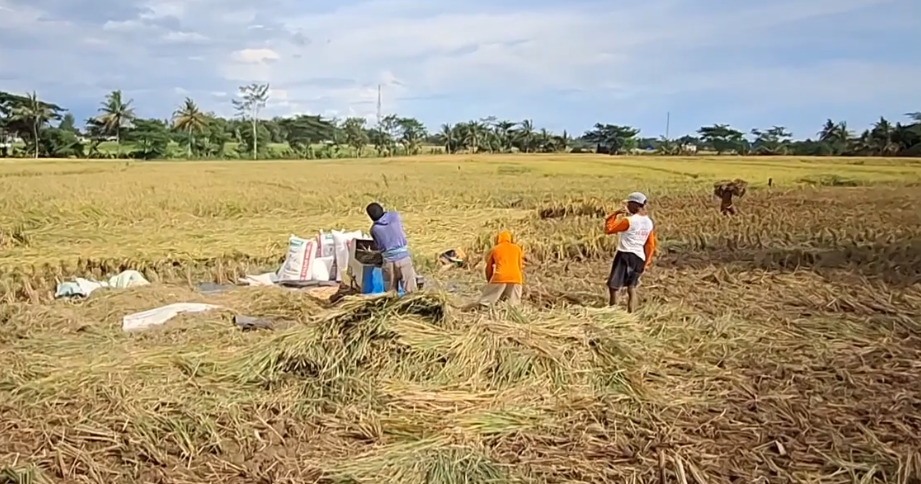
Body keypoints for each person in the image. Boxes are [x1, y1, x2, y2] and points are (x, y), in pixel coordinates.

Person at [604, 192, 656, 313]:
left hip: (625, 255)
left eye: (628, 203)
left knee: (614, 287)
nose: (627, 206)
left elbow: (609, 229)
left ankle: (612, 313)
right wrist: (646, 262)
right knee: (631, 287)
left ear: (635, 205)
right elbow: (650, 245)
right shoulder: (649, 222)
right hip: (639, 258)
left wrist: (614, 214)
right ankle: (631, 314)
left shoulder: (629, 221)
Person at [366, 202, 418, 293]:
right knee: (411, 291)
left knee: (390, 293)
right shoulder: (395, 217)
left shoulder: (374, 230)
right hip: (403, 259)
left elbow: (379, 247)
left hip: (389, 263)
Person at [477, 230, 524, 307]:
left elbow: (489, 268)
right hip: (516, 278)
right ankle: (510, 316)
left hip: (500, 276)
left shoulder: (495, 249)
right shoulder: (517, 249)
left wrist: (490, 281)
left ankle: (484, 312)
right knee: (513, 305)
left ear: (498, 239)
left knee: (486, 301)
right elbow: (520, 266)